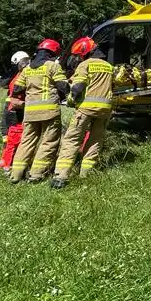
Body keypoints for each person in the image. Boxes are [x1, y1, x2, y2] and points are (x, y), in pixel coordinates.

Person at [52, 36, 114, 189]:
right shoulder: (108, 66)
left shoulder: (84, 65)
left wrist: (71, 100)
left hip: (86, 109)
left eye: (79, 55)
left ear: (84, 53)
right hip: (105, 110)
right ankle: (86, 173)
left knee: (71, 140)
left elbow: (78, 87)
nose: (79, 58)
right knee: (95, 141)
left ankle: (60, 176)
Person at [7, 38, 69, 184]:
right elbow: (63, 87)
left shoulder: (27, 69)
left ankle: (15, 175)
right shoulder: (52, 66)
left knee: (26, 142)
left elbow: (16, 89)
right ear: (53, 52)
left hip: (30, 113)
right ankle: (36, 174)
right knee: (49, 142)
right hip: (49, 111)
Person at [0, 50, 30, 175]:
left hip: (13, 112)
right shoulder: (19, 78)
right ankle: (7, 166)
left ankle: (7, 164)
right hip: (16, 113)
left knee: (13, 140)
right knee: (15, 140)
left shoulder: (17, 77)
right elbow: (17, 98)